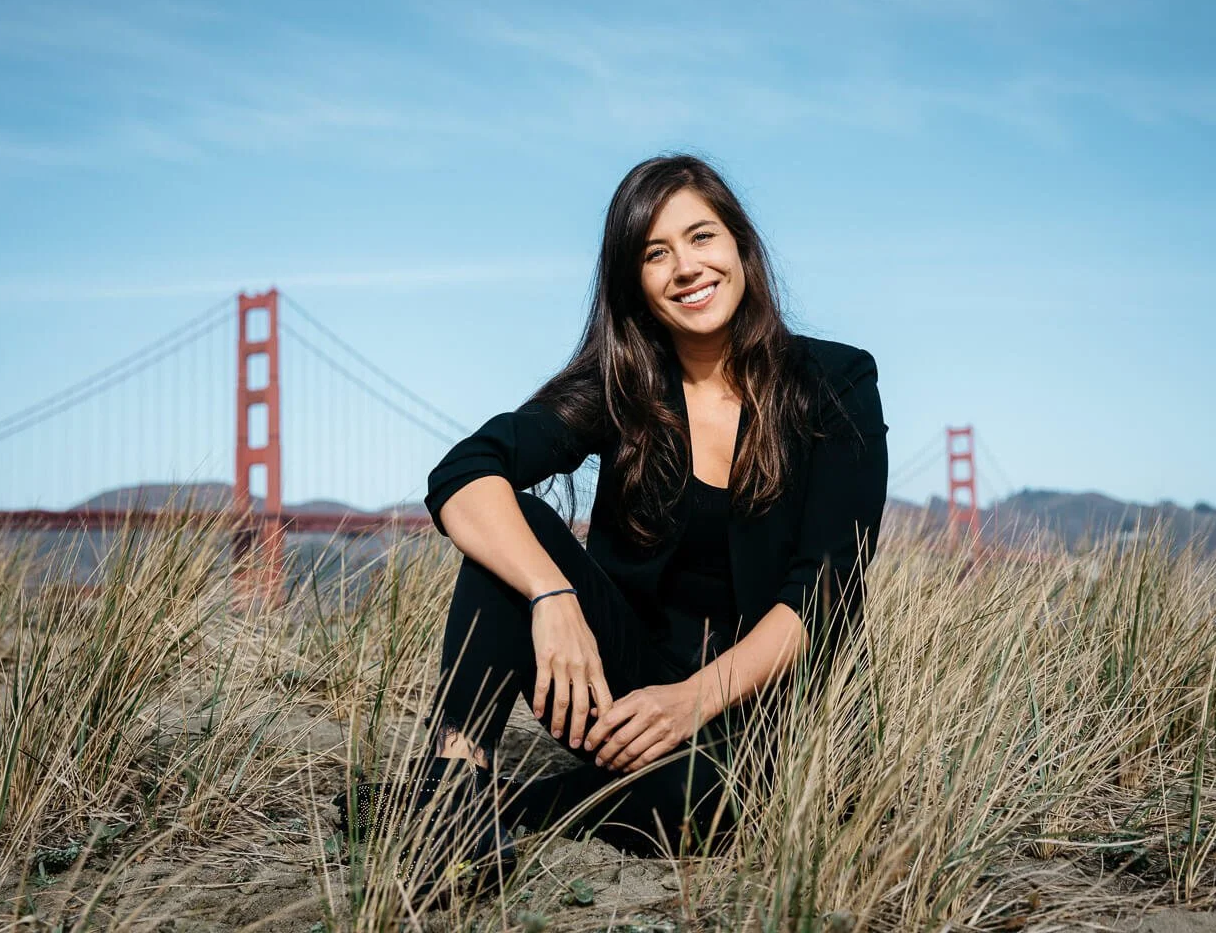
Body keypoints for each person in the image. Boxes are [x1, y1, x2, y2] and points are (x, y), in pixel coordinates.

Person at [359, 153, 887, 895]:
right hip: (626, 703)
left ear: (740, 246)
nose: (686, 267)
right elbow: (464, 470)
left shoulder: (835, 382)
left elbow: (823, 592)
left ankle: (507, 805)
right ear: (633, 283)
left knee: (709, 797)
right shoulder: (622, 388)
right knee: (518, 528)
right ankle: (452, 788)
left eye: (702, 237)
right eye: (655, 253)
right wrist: (553, 597)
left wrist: (691, 703)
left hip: (768, 722)